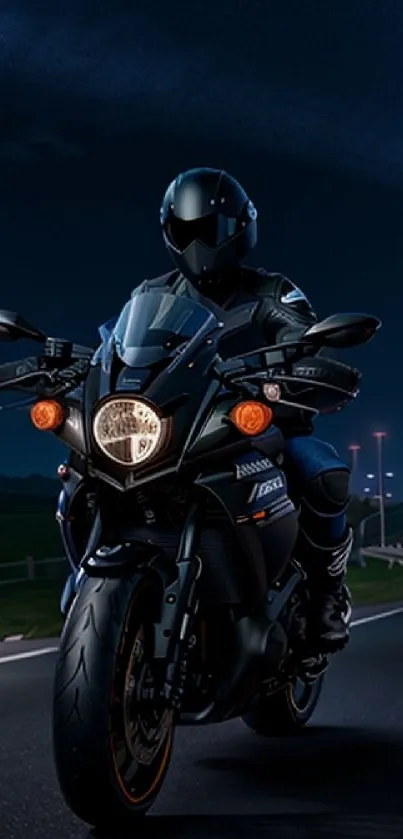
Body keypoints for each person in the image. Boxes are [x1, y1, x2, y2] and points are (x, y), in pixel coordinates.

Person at [145, 167, 353, 652]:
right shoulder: (153, 295)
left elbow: (305, 338)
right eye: (188, 231)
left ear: (240, 230)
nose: (201, 243)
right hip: (180, 429)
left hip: (262, 428)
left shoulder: (273, 292)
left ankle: (325, 594)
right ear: (170, 231)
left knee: (322, 473)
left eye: (212, 231)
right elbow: (119, 348)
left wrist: (302, 364)